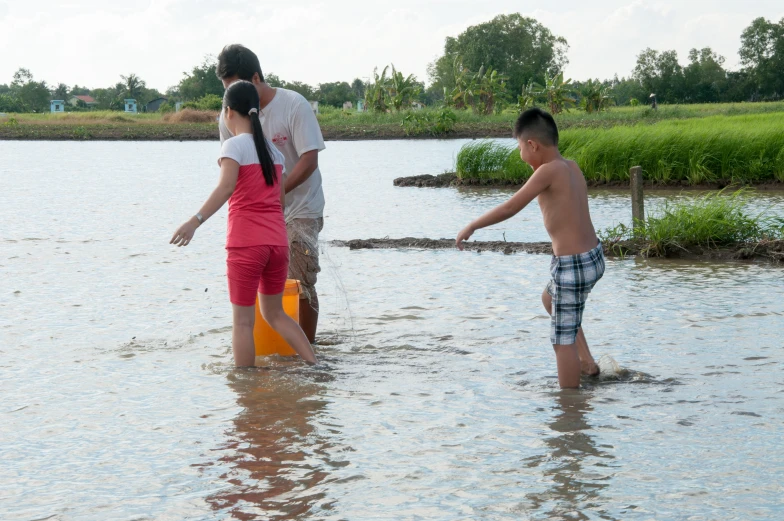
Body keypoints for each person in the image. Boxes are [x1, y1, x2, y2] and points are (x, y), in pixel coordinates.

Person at [170, 80, 317, 367]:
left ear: (227, 112)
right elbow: (281, 202)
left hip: (246, 244)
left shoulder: (233, 147)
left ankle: (245, 389)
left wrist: (194, 221)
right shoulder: (274, 154)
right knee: (276, 314)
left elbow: (225, 189)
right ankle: (316, 364)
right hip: (277, 244)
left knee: (242, 323)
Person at [456, 108, 604, 389]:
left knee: (562, 342)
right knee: (551, 300)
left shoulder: (547, 172)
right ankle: (587, 362)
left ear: (532, 145)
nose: (521, 155)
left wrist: (473, 226)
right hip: (593, 258)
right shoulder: (570, 166)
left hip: (571, 266)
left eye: (520, 147)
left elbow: (510, 207)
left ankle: (569, 409)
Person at [216, 44, 326, 344]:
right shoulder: (228, 116)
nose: (230, 96)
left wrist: (277, 191)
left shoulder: (293, 104)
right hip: (258, 217)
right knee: (260, 291)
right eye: (226, 89)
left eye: (235, 86)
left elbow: (309, 159)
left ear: (255, 78)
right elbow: (231, 175)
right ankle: (278, 352)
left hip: (301, 207)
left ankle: (309, 351)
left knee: (301, 280)